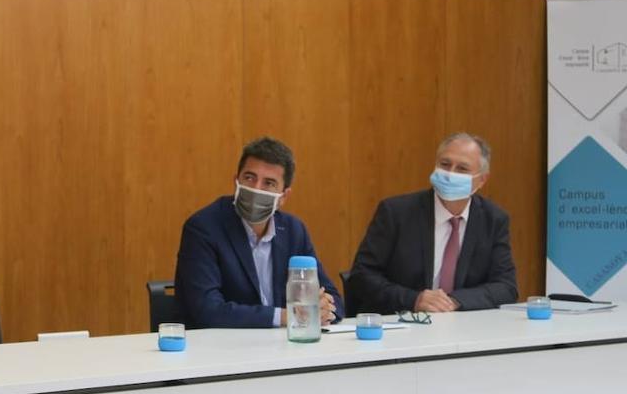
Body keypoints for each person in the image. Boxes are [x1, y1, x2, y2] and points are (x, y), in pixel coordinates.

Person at [174, 137, 343, 329]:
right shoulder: (204, 228)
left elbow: (333, 298)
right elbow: (207, 309)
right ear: (236, 181)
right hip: (221, 350)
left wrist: (324, 309)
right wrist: (285, 317)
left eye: (269, 183)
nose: (256, 188)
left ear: (284, 196)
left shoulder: (293, 231)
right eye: (249, 178)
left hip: (283, 347)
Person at [346, 132, 517, 315]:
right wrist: (414, 300)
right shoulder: (396, 212)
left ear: (482, 179)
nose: (450, 174)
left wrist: (455, 301)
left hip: (463, 328)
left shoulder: (493, 220)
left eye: (462, 169)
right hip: (402, 326)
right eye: (445, 164)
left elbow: (506, 287)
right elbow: (361, 276)